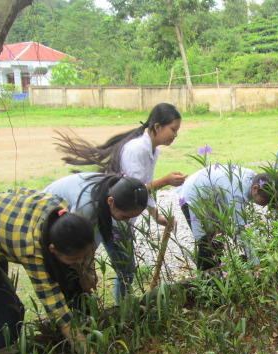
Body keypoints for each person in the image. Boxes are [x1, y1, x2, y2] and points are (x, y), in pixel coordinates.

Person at [0, 189, 111, 354]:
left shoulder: (60, 209)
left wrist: (85, 272)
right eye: (73, 259)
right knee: (8, 311)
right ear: (52, 249)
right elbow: (58, 311)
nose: (78, 263)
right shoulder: (31, 249)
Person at [55, 103, 187, 300]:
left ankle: (120, 309)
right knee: (105, 264)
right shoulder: (136, 149)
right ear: (158, 127)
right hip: (111, 216)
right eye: (173, 129)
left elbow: (139, 192)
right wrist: (165, 181)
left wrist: (155, 214)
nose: (175, 134)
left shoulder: (150, 150)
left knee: (123, 269)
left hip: (116, 214)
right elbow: (135, 190)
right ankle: (111, 308)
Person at [43, 173, 148, 300]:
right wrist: (84, 275)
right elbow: (77, 246)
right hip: (53, 222)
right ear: (111, 201)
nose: (126, 221)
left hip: (78, 220)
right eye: (125, 216)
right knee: (70, 275)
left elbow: (90, 245)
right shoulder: (86, 207)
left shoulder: (116, 191)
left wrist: (89, 270)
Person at [177, 165, 278, 270]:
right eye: (265, 200)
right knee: (207, 244)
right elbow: (240, 229)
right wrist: (256, 264)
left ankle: (217, 278)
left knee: (217, 240)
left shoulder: (255, 180)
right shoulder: (237, 192)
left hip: (213, 198)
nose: (265, 204)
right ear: (255, 188)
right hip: (194, 196)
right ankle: (205, 283)